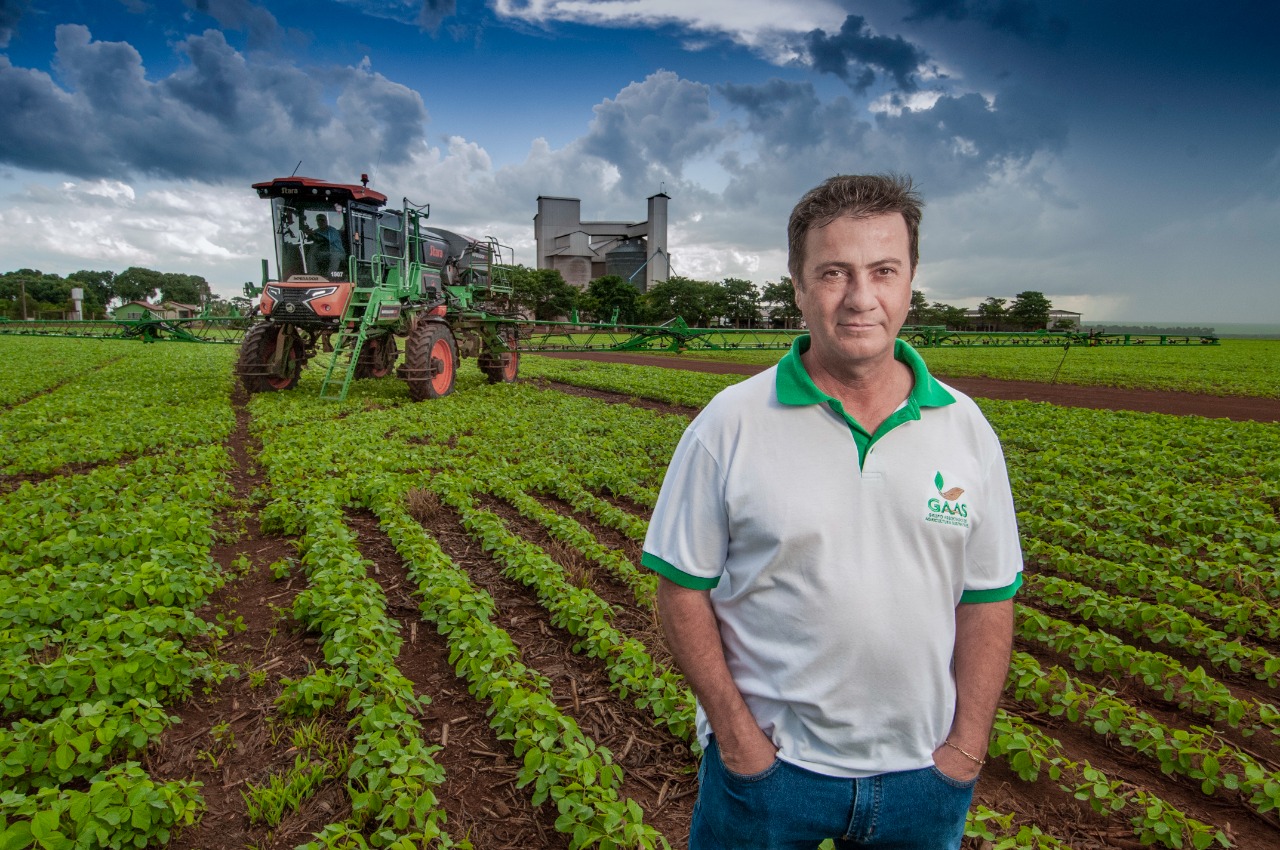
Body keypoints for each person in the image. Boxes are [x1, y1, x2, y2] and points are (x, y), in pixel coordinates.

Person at [642, 173, 1023, 849]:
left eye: (883, 271)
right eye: (833, 273)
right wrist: (738, 741)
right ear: (797, 285)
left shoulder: (966, 429)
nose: (860, 298)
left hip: (922, 780)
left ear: (910, 282)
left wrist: (966, 749)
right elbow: (681, 590)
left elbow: (987, 600)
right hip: (770, 776)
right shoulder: (729, 423)